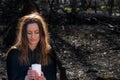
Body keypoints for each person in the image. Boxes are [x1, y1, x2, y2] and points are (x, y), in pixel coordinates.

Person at [6, 12, 57, 80]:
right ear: (24, 34)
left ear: (42, 33)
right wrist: (26, 78)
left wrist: (44, 79)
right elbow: (12, 78)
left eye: (37, 32)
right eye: (29, 33)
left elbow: (52, 77)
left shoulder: (48, 52)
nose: (33, 36)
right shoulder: (14, 53)